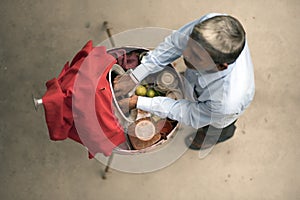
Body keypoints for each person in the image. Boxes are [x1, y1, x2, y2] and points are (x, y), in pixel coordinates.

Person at [113, 13, 255, 150]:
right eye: (189, 45)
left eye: (196, 56)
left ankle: (209, 139)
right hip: (200, 80)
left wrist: (137, 102)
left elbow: (190, 114)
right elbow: (175, 44)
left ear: (220, 66)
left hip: (220, 114)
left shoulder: (227, 101)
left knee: (214, 129)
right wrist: (135, 76)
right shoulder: (210, 26)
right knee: (188, 79)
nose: (185, 55)